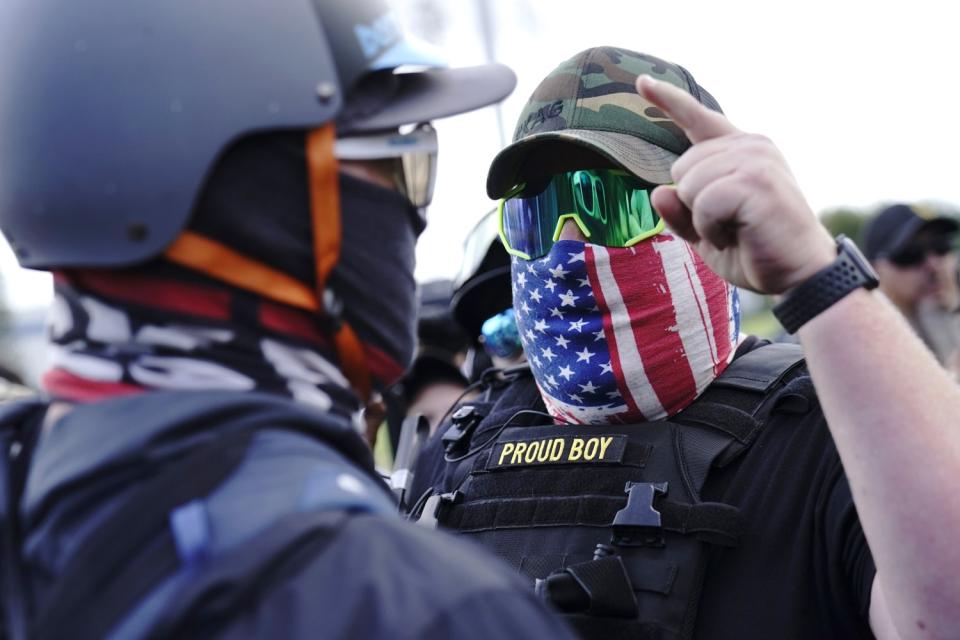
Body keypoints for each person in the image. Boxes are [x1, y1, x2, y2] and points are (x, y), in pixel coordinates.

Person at [0, 2, 577, 638]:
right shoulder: (421, 610)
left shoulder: (33, 503)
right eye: (403, 162)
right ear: (260, 208)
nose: (415, 215)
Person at [410, 46, 960, 640]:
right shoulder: (463, 441)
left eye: (617, 205)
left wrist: (815, 275)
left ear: (704, 214)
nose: (569, 247)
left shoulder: (831, 434)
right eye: (536, 215)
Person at [861, 203, 960, 370]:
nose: (933, 264)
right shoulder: (865, 342)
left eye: (940, 246)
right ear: (874, 269)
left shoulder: (946, 309)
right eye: (911, 254)